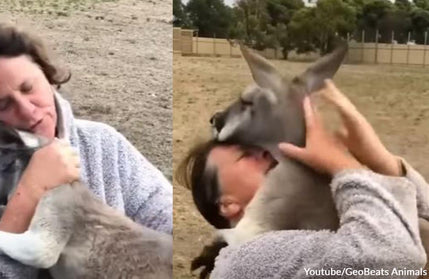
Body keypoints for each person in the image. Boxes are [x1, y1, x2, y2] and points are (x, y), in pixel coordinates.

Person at [0, 20, 172, 278]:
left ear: (46, 73)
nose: (28, 110)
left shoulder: (103, 144)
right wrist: (32, 191)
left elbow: (168, 223)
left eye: (28, 88)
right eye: (2, 105)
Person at [177, 80, 429, 278]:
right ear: (227, 204)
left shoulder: (324, 238)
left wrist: (385, 163)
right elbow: (396, 256)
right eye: (246, 154)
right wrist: (344, 165)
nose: (268, 152)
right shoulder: (240, 264)